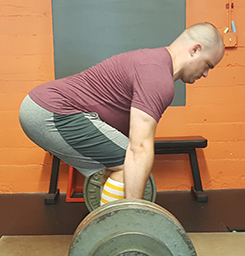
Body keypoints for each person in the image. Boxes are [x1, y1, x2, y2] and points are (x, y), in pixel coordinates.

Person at [19, 22, 224, 206]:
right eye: (208, 65)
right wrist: (135, 213)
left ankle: (109, 224)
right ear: (195, 50)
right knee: (129, 164)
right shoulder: (157, 77)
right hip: (51, 112)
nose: (205, 74)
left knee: (125, 165)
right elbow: (139, 148)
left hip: (45, 108)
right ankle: (115, 230)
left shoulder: (154, 64)